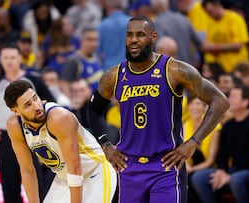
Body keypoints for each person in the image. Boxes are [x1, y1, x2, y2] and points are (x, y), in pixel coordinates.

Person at [87, 16, 229, 203]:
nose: (134, 40)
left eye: (140, 34)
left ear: (153, 37)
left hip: (166, 166)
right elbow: (93, 110)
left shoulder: (175, 70)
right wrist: (105, 145)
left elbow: (220, 101)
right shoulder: (114, 76)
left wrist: (193, 142)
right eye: (129, 35)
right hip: (129, 167)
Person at [4, 80, 117, 203]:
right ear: (16, 111)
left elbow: (75, 167)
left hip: (95, 172)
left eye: (35, 98)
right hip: (65, 179)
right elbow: (27, 171)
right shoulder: (15, 126)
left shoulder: (59, 118)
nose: (36, 106)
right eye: (28, 105)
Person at [0, 42, 56, 203]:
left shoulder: (33, 80)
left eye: (13, 57)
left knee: (36, 181)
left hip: (31, 135)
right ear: (1, 60)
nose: (9, 61)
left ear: (20, 58)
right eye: (6, 58)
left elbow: (50, 103)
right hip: (5, 138)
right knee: (9, 183)